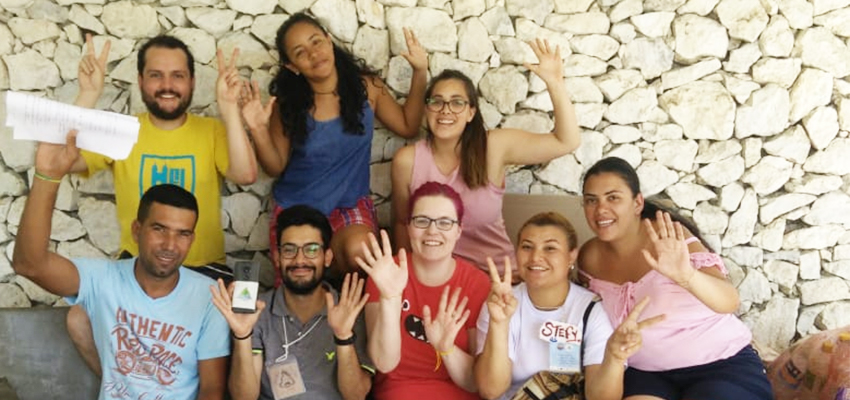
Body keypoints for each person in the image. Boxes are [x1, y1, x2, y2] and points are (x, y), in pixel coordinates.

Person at [66, 33, 257, 377]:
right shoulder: (122, 130)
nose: (167, 85)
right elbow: (62, 159)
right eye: (156, 75)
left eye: (177, 75)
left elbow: (246, 174)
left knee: (247, 305)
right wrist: (87, 95)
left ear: (192, 82)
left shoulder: (211, 130)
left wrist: (229, 109)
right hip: (136, 270)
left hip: (205, 270)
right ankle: (130, 388)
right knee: (77, 317)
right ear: (140, 81)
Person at [12, 132, 230, 399]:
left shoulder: (209, 296)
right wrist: (47, 176)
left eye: (182, 233)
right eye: (159, 229)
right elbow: (29, 264)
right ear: (137, 230)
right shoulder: (103, 278)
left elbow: (212, 390)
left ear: (192, 238)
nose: (170, 245)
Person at [239, 12, 427, 281]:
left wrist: (420, 71)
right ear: (292, 66)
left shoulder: (367, 87)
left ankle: (354, 307)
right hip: (299, 208)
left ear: (329, 40)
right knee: (302, 282)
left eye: (316, 42)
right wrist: (258, 129)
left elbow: (408, 125)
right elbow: (275, 167)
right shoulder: (288, 104)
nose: (314, 54)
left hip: (350, 206)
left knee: (364, 255)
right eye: (301, 52)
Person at [577, 157, 774, 400]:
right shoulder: (589, 258)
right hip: (646, 374)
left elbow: (729, 301)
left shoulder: (670, 238)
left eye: (613, 197)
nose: (601, 210)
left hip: (720, 363)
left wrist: (686, 276)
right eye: (591, 200)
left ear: (637, 202)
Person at [391, 38, 581, 279]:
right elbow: (400, 224)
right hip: (439, 282)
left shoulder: (493, 146)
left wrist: (554, 82)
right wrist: (406, 280)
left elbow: (567, 141)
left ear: (471, 112)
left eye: (457, 103)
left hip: (499, 280)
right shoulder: (406, 161)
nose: (446, 110)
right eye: (436, 102)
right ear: (426, 109)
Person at [474, 212, 664, 400]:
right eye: (527, 247)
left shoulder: (591, 310)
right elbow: (491, 391)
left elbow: (601, 398)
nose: (535, 257)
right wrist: (499, 324)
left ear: (572, 256)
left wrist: (613, 358)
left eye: (550, 248)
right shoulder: (501, 303)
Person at [209, 205, 374, 400]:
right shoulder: (257, 311)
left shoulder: (349, 308)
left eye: (311, 249)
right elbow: (244, 397)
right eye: (289, 250)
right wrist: (243, 335)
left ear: (327, 257)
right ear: (277, 258)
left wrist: (343, 336)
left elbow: (356, 395)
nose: (299, 259)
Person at [358, 182, 489, 399]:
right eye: (421, 221)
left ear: (459, 230)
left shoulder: (476, 283)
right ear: (408, 226)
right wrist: (390, 299)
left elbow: (474, 383)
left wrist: (447, 348)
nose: (432, 231)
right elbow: (384, 363)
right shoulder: (385, 272)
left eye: (445, 222)